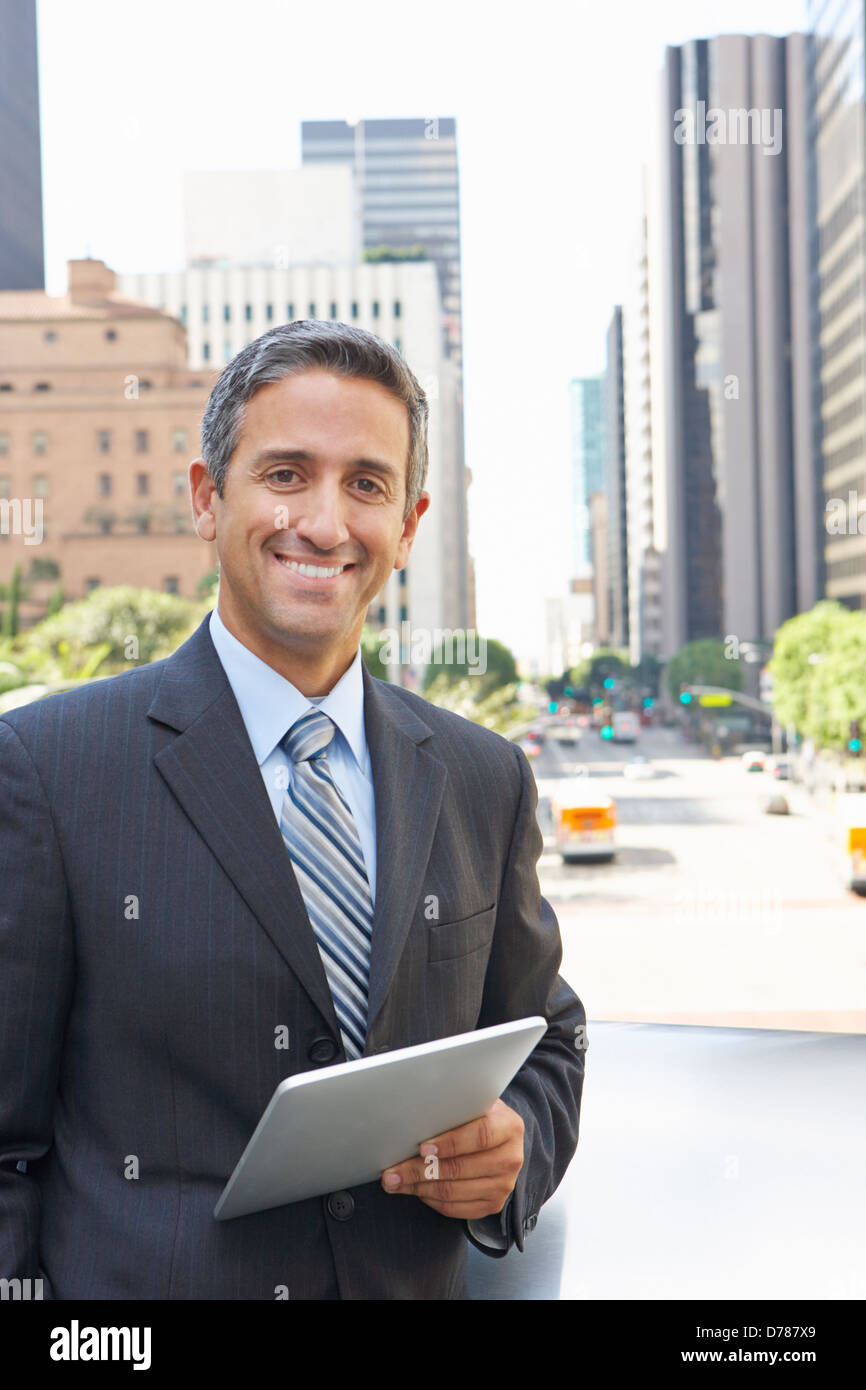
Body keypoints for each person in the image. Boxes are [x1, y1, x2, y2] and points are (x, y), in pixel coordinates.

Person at [0, 320, 586, 1300]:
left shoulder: (485, 779)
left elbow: (548, 1034)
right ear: (206, 497)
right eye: (284, 474)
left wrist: (516, 1142)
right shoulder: (50, 771)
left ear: (406, 525)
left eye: (366, 484)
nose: (322, 522)